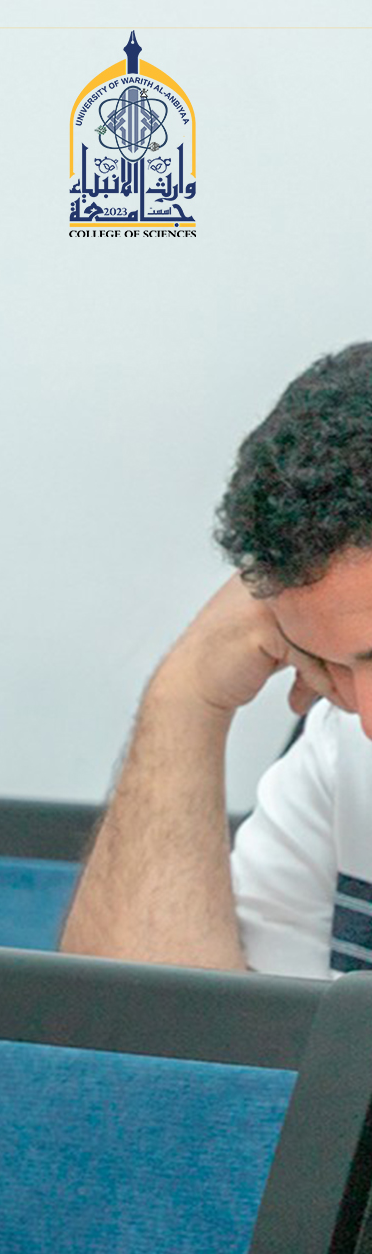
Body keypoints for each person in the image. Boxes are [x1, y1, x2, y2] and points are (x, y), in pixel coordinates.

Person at [63, 342, 372, 976]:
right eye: (329, 665)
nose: (365, 716)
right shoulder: (338, 745)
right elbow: (147, 1026)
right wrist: (189, 693)